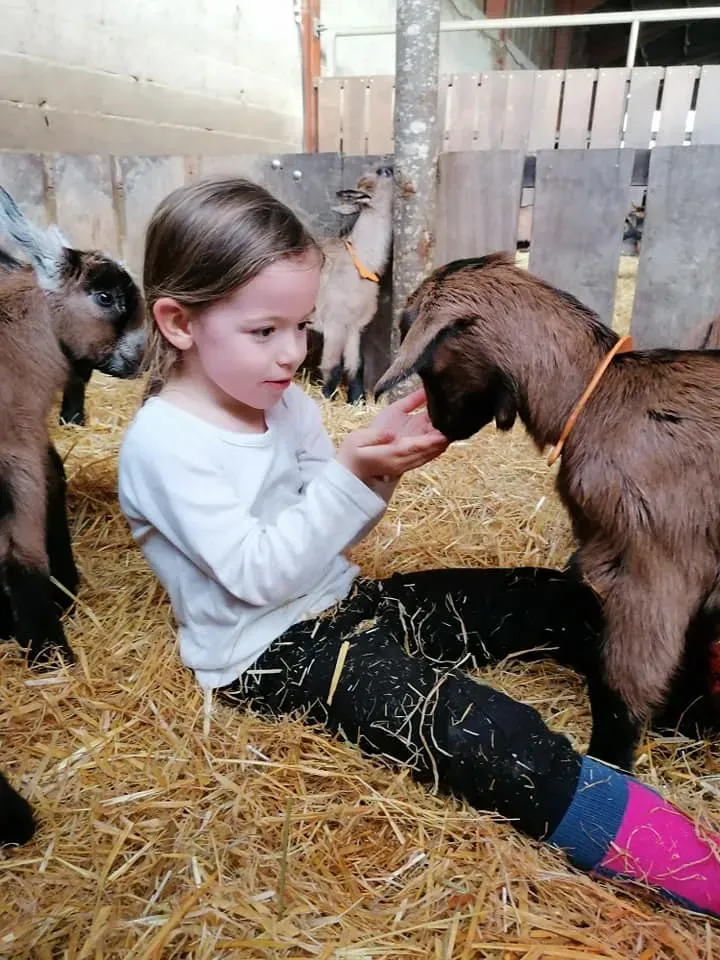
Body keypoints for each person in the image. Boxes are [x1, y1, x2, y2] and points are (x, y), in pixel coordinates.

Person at [117, 176, 720, 919]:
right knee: (475, 730)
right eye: (265, 331)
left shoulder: (284, 402)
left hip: (343, 601)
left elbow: (327, 529)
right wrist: (350, 472)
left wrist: (377, 471)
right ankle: (661, 850)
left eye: (302, 325)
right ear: (178, 323)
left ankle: (689, 711)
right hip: (271, 654)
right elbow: (256, 574)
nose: (294, 352)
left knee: (553, 597)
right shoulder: (165, 446)